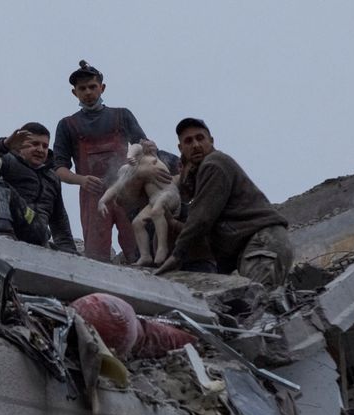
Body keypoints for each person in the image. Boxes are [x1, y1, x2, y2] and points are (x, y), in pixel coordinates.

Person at [155, 118, 292, 290]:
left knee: (260, 306)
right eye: (188, 141)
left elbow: (201, 220)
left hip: (262, 243)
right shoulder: (206, 172)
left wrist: (176, 256)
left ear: (211, 141)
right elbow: (206, 229)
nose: (196, 145)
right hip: (262, 246)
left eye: (200, 138)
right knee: (263, 307)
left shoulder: (214, 163)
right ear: (180, 148)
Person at [53, 60, 153, 262]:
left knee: (139, 249)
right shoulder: (67, 125)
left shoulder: (122, 115)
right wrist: (81, 180)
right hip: (93, 196)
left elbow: (143, 148)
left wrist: (149, 147)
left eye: (92, 86)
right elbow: (59, 169)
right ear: (75, 93)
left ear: (102, 87)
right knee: (96, 257)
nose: (88, 92)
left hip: (127, 192)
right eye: (82, 88)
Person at [0, 123, 78, 254]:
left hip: (39, 241)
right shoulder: (7, 162)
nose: (40, 150)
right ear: (19, 144)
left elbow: (59, 221)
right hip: (8, 237)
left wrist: (71, 254)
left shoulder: (53, 178)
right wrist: (4, 145)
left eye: (45, 146)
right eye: (34, 144)